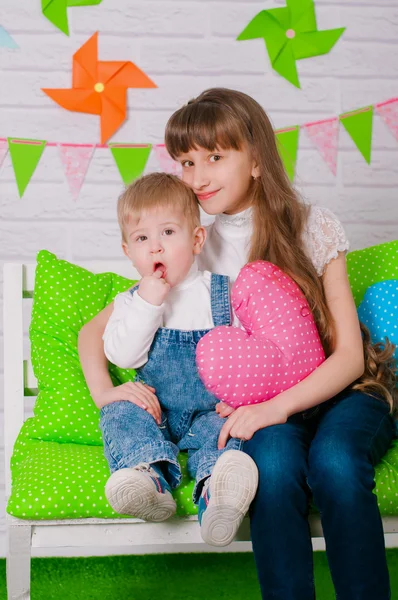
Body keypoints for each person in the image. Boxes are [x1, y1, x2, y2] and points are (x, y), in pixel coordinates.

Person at [79, 88, 397, 599]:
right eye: (185, 161)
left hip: (344, 388)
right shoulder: (191, 242)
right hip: (263, 411)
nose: (198, 176)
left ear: (255, 159)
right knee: (269, 468)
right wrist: (105, 394)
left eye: (214, 157)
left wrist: (276, 407)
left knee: (335, 460)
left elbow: (350, 356)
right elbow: (95, 330)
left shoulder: (312, 224)